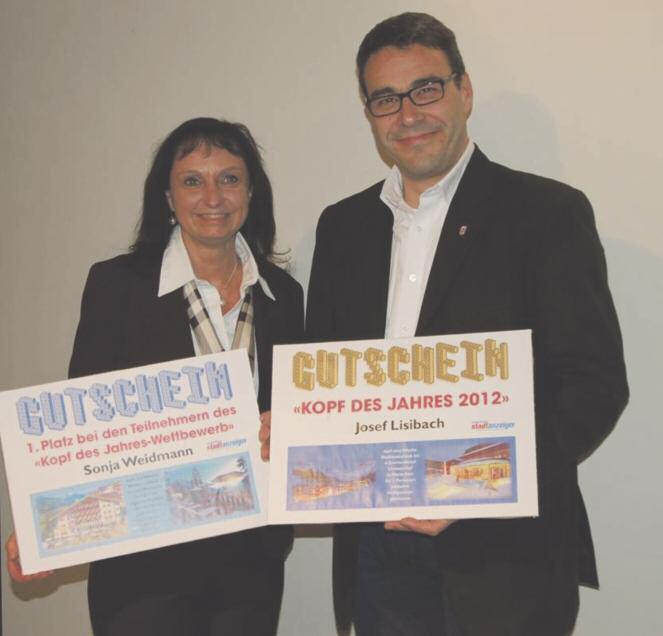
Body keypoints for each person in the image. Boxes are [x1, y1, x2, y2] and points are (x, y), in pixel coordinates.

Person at [306, 12, 628, 636]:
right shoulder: (342, 227)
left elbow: (593, 387)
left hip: (506, 555)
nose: (409, 114)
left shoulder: (547, 212)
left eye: (426, 89)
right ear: (369, 113)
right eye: (386, 99)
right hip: (376, 551)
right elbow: (322, 373)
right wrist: (293, 429)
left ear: (465, 91)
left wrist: (476, 488)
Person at [6, 117, 304, 636]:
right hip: (143, 566)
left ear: (252, 192)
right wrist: (45, 527)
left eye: (229, 178)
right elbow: (85, 425)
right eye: (192, 181)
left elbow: (292, 417)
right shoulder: (116, 286)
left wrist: (286, 429)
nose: (212, 197)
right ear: (167, 197)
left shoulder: (284, 295)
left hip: (249, 561)